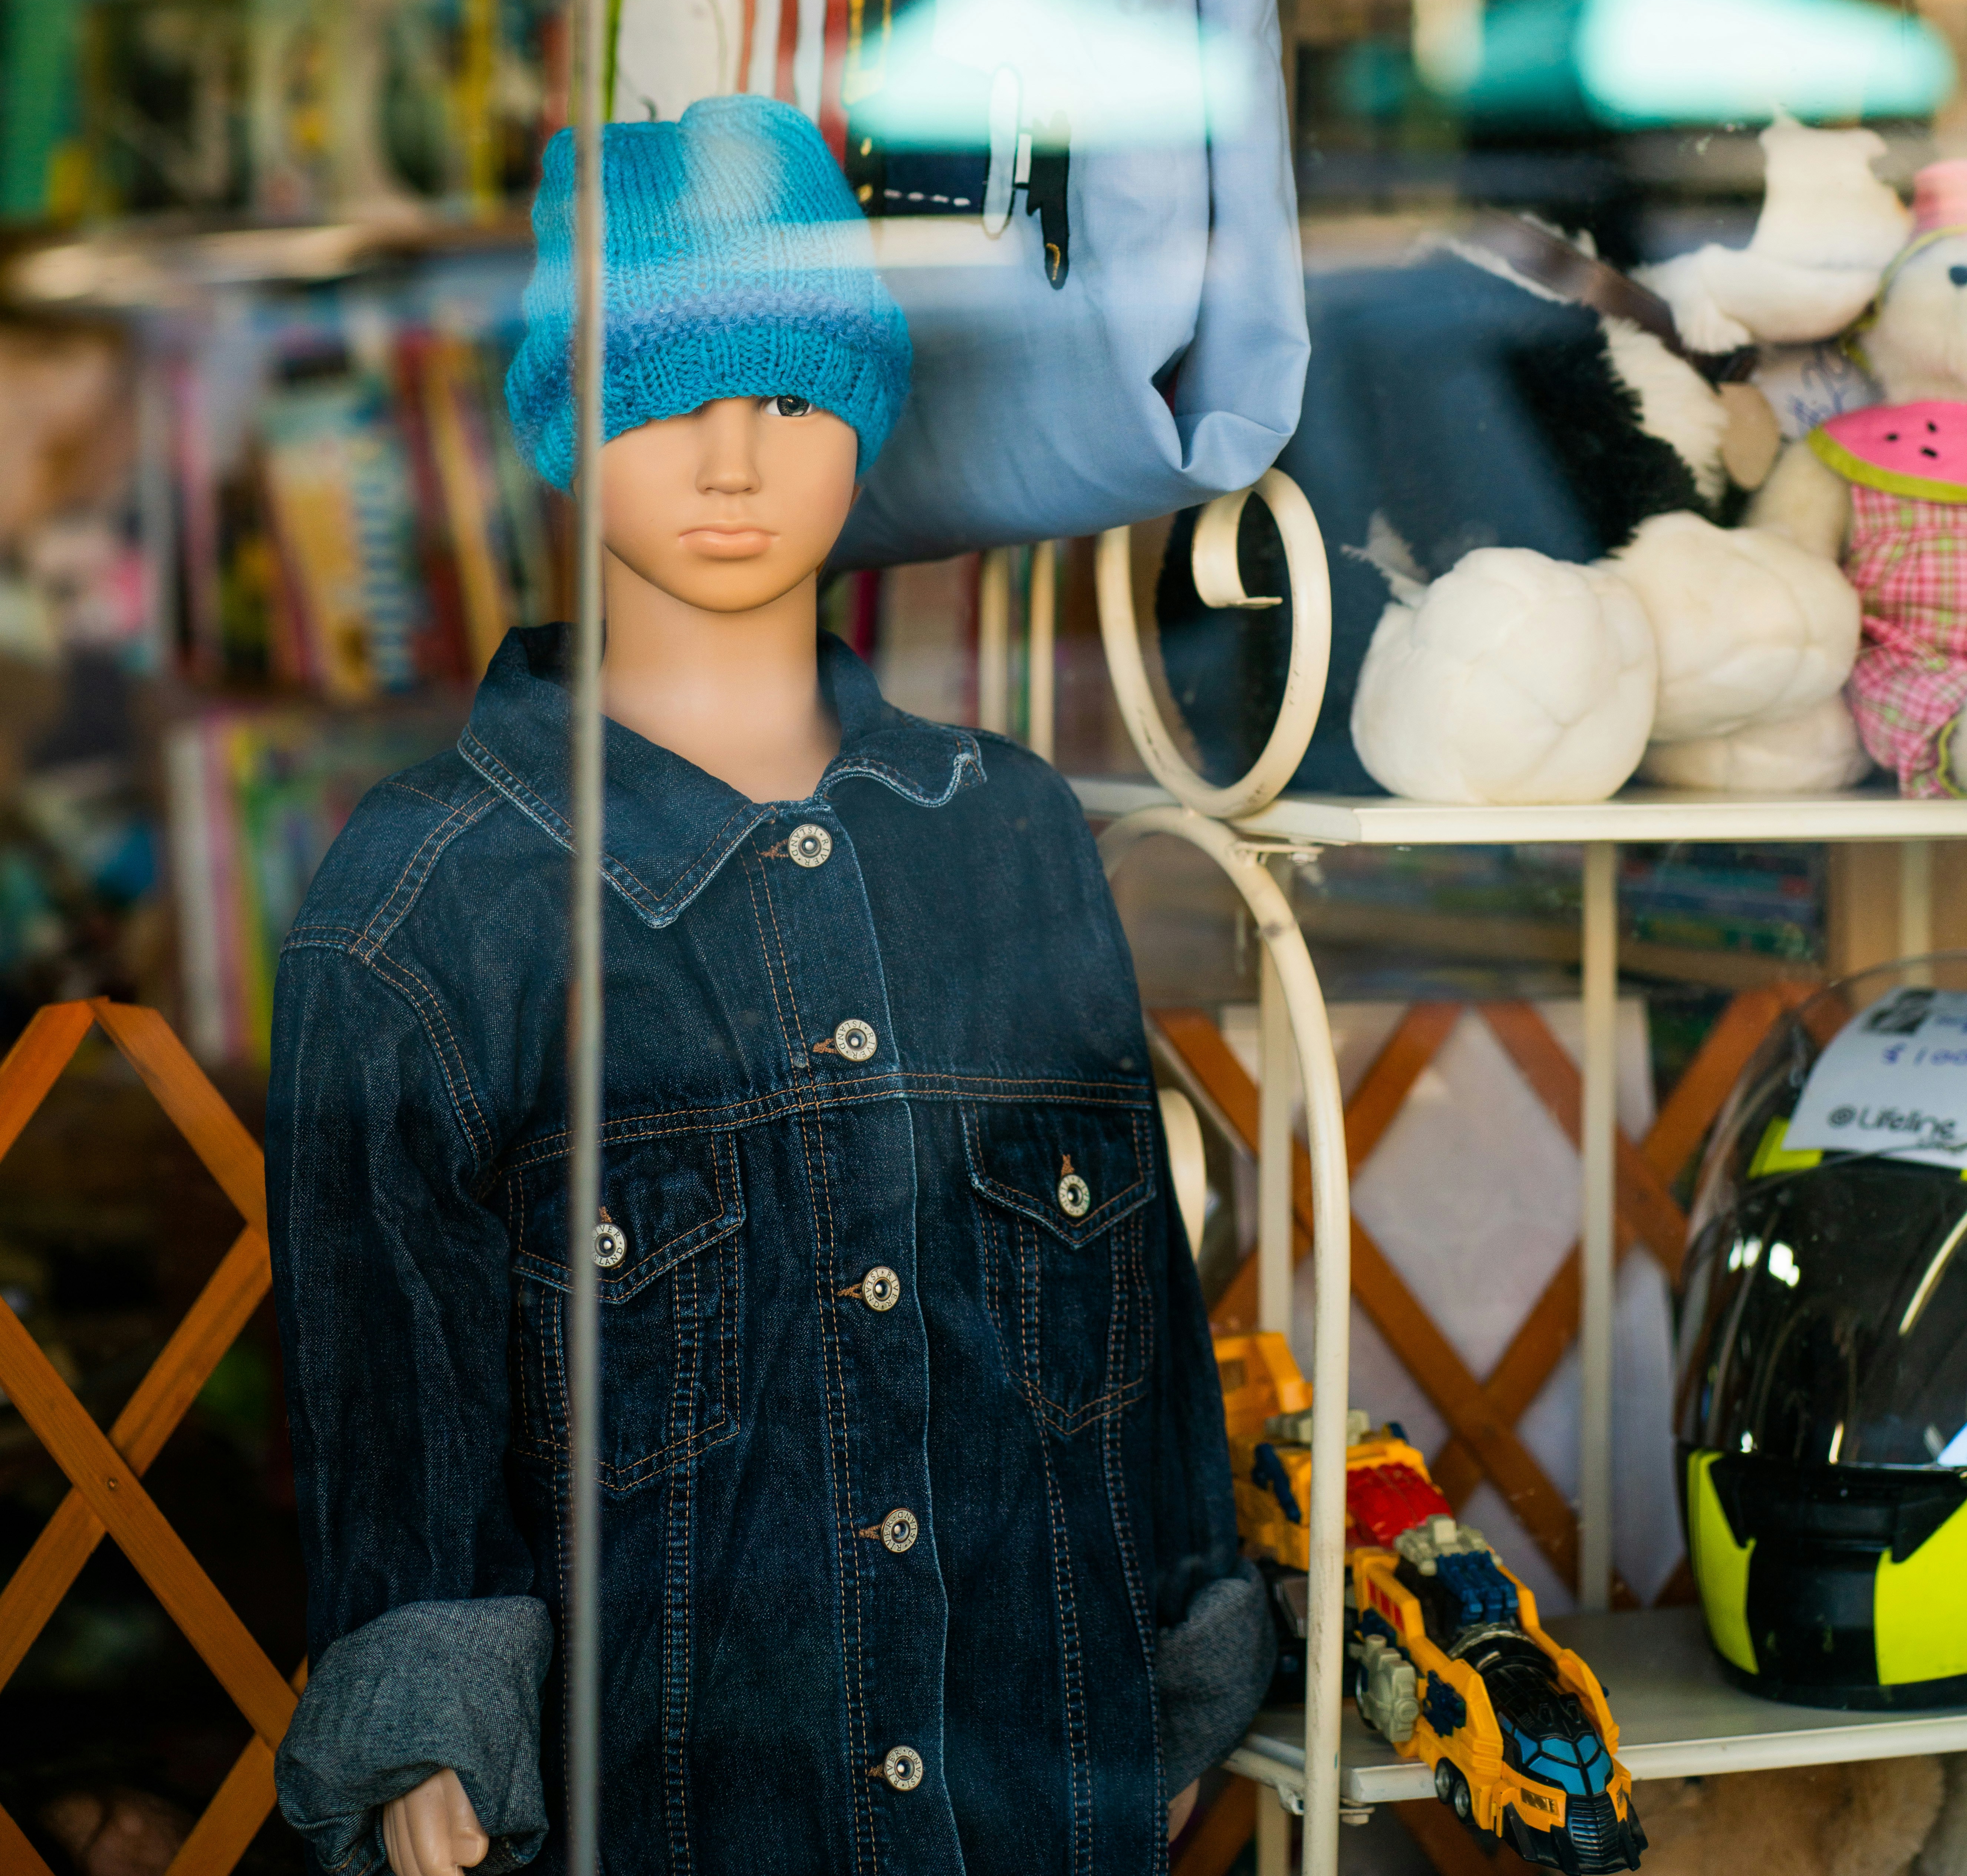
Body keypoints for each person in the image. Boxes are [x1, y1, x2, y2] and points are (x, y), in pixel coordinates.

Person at [267, 96, 1271, 1876]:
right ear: (568, 422)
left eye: (796, 395)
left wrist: (1183, 1660)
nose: (735, 458)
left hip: (1029, 1806)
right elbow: (393, 1375)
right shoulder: (431, 899)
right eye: (665, 395)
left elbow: (1128, 1317)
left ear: (867, 410)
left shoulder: (1008, 835)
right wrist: (428, 1711)